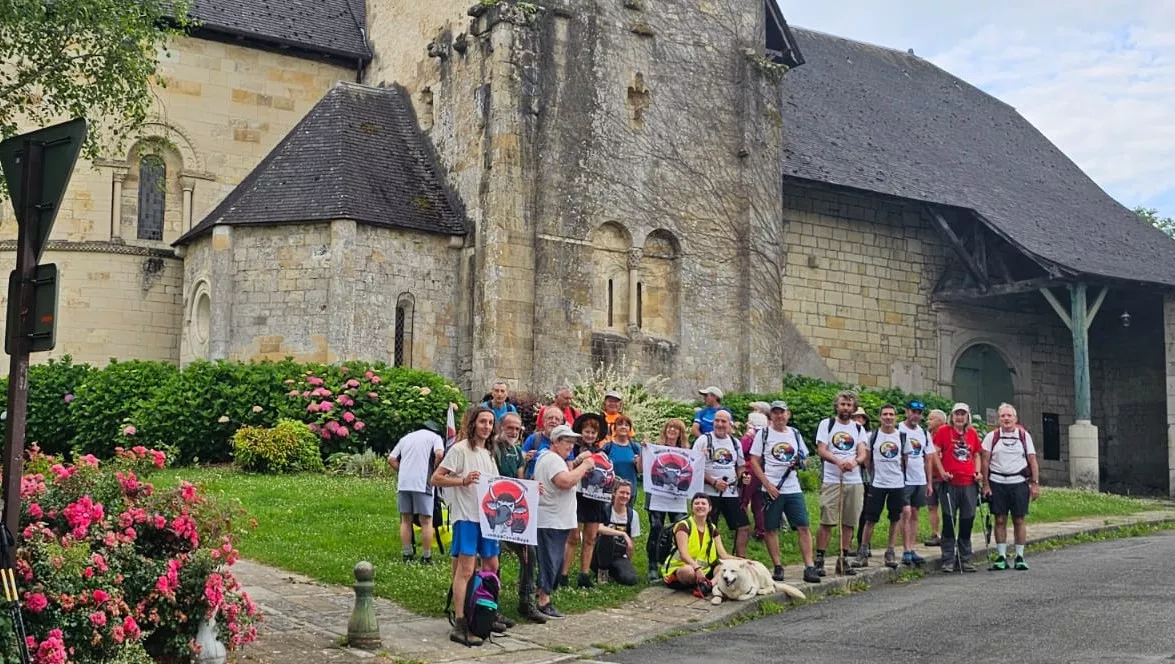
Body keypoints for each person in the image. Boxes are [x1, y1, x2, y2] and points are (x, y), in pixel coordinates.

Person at [430, 406, 504, 646]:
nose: (486, 427)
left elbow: (497, 484)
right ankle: (461, 621)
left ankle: (485, 610)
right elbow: (436, 478)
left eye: (490, 423)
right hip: (468, 516)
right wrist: (462, 480)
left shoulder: (489, 453)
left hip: (488, 517)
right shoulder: (459, 450)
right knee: (465, 568)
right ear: (473, 423)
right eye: (482, 422)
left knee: (492, 564)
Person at [748, 401, 821, 584]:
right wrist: (767, 483)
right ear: (770, 415)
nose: (779, 416)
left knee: (803, 526)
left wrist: (800, 463)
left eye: (782, 413)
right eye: (775, 413)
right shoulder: (763, 434)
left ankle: (809, 566)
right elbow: (754, 461)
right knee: (771, 528)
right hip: (771, 488)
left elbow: (805, 460)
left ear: (788, 414)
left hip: (793, 487)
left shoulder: (795, 434)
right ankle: (778, 566)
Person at [533, 424, 595, 618]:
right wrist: (584, 466)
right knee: (551, 560)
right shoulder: (552, 460)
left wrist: (576, 463)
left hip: (555, 518)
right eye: (566, 441)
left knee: (552, 558)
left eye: (572, 441)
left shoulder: (551, 458)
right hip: (551, 519)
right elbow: (564, 481)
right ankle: (544, 600)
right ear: (556, 442)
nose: (570, 445)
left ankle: (540, 593)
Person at [490, 412, 546, 624]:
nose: (513, 432)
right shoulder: (492, 449)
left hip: (512, 511)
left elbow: (520, 480)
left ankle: (526, 601)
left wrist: (532, 488)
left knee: (528, 552)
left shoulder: (517, 451)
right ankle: (490, 604)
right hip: (494, 510)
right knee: (492, 557)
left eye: (517, 428)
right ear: (501, 427)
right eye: (509, 428)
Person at [815, 391, 868, 577]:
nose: (845, 408)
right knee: (827, 521)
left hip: (854, 480)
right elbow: (821, 449)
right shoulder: (827, 424)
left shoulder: (858, 429)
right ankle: (819, 559)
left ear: (853, 408)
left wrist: (855, 462)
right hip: (832, 479)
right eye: (842, 404)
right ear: (836, 406)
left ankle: (843, 558)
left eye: (849, 405)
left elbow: (862, 452)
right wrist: (838, 461)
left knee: (849, 522)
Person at [981, 403, 1040, 571]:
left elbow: (1032, 460)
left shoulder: (1024, 436)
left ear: (1015, 418)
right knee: (999, 519)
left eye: (1009, 416)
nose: (1006, 419)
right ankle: (1001, 556)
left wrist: (1035, 484)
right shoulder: (991, 437)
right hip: (997, 482)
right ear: (998, 419)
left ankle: (1020, 556)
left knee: (1019, 519)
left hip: (1018, 483)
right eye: (1003, 416)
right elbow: (985, 461)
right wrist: (985, 484)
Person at [854, 405, 911, 569]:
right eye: (885, 414)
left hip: (897, 483)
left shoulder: (902, 437)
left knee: (895, 518)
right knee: (870, 518)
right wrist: (873, 475)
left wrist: (900, 476)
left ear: (896, 417)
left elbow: (905, 459)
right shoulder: (872, 436)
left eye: (891, 414)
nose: (888, 417)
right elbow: (867, 459)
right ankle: (863, 551)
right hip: (877, 483)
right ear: (880, 417)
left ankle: (890, 550)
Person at [930, 402, 983, 573]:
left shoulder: (972, 433)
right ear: (952, 416)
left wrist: (978, 472)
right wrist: (942, 471)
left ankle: (965, 558)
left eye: (963, 414)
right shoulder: (944, 431)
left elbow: (976, 454)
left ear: (967, 416)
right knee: (949, 520)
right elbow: (935, 453)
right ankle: (948, 559)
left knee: (967, 520)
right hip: (949, 483)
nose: (960, 417)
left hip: (968, 483)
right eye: (957, 414)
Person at [692, 410, 750, 557]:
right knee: (708, 527)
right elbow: (693, 465)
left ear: (730, 424)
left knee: (743, 526)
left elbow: (741, 466)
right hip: (708, 493)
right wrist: (713, 481)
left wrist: (743, 477)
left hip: (731, 492)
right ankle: (709, 558)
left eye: (723, 421)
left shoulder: (735, 442)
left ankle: (740, 560)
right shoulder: (703, 440)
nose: (719, 424)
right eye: (717, 421)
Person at [565, 412, 608, 589]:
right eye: (587, 431)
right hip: (576, 496)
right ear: (581, 431)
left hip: (595, 498)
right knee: (573, 537)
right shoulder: (572, 449)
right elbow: (567, 469)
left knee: (590, 538)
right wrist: (577, 461)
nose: (589, 435)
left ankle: (584, 575)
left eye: (593, 433)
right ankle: (563, 574)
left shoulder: (601, 453)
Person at [390, 421, 444, 563]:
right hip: (423, 482)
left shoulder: (406, 438)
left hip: (404, 483)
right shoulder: (435, 438)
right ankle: (426, 556)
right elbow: (439, 454)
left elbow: (391, 459)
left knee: (406, 519)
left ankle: (407, 554)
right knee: (426, 520)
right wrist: (435, 468)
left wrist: (403, 471)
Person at [662, 493, 737, 594]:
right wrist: (697, 568)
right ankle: (701, 584)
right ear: (692, 508)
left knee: (723, 568)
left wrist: (744, 561)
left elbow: (723, 555)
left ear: (709, 508)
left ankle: (708, 585)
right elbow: (684, 555)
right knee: (688, 572)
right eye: (696, 503)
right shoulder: (684, 526)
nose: (700, 506)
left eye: (703, 503)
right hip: (681, 568)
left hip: (705, 570)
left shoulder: (712, 528)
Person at [645, 418, 691, 581]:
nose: (672, 430)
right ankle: (652, 564)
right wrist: (643, 453)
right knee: (656, 527)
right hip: (657, 495)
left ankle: (675, 562)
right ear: (665, 430)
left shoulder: (687, 452)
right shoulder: (654, 449)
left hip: (677, 498)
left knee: (680, 528)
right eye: (670, 427)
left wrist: (702, 455)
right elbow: (643, 468)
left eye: (676, 428)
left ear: (680, 433)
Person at [898, 401, 931, 566]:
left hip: (919, 478)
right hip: (903, 478)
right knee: (905, 512)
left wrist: (929, 482)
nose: (916, 415)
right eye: (913, 411)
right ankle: (905, 549)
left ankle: (911, 548)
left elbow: (928, 459)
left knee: (915, 514)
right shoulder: (898, 430)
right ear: (907, 411)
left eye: (919, 412)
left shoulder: (923, 433)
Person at [591, 479, 640, 585]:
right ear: (614, 493)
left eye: (628, 493)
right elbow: (598, 528)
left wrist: (628, 562)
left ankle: (613, 571)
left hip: (619, 555)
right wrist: (622, 533)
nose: (625, 496)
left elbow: (631, 544)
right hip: (599, 553)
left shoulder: (633, 515)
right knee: (607, 536)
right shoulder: (605, 509)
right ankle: (602, 571)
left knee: (631, 579)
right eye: (622, 492)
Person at [740, 411, 769, 540]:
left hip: (749, 470)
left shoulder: (750, 436)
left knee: (743, 500)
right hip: (761, 471)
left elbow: (741, 451)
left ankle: (742, 526)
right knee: (758, 503)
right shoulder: (765, 435)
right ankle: (761, 530)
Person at [923, 408, 948, 546]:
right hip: (930, 477)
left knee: (946, 507)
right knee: (932, 506)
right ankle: (935, 533)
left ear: (940, 421)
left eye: (931, 418)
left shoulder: (946, 434)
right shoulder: (927, 435)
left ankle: (946, 533)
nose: (928, 421)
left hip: (942, 477)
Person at [521, 407, 567, 479]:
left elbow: (569, 467)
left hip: (555, 485)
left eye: (557, 419)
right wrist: (526, 457)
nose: (553, 421)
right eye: (550, 418)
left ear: (561, 423)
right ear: (544, 421)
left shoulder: (566, 443)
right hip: (533, 484)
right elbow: (520, 461)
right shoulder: (534, 438)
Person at [852, 406, 873, 560]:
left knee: (866, 512)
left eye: (861, 418)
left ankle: (864, 543)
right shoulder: (848, 435)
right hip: (852, 476)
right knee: (853, 512)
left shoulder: (870, 436)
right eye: (855, 417)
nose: (858, 420)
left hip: (866, 478)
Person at [605, 415, 642, 488]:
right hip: (610, 490)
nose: (623, 427)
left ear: (630, 429)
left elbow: (640, 470)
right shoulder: (607, 447)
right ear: (615, 428)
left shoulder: (635, 447)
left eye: (626, 425)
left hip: (629, 491)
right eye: (620, 424)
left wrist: (640, 460)